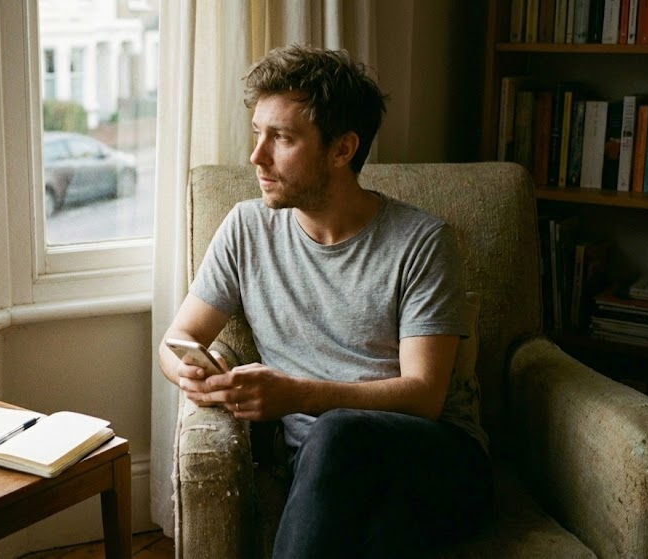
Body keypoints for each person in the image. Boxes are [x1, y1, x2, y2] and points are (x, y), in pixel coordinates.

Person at [158, 43, 492, 557]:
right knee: (382, 532)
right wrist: (191, 371)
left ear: (342, 150)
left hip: (437, 457)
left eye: (282, 138)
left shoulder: (422, 241)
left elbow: (425, 397)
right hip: (321, 469)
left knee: (338, 435)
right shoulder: (247, 229)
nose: (256, 156)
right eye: (257, 134)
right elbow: (178, 339)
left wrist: (297, 396)